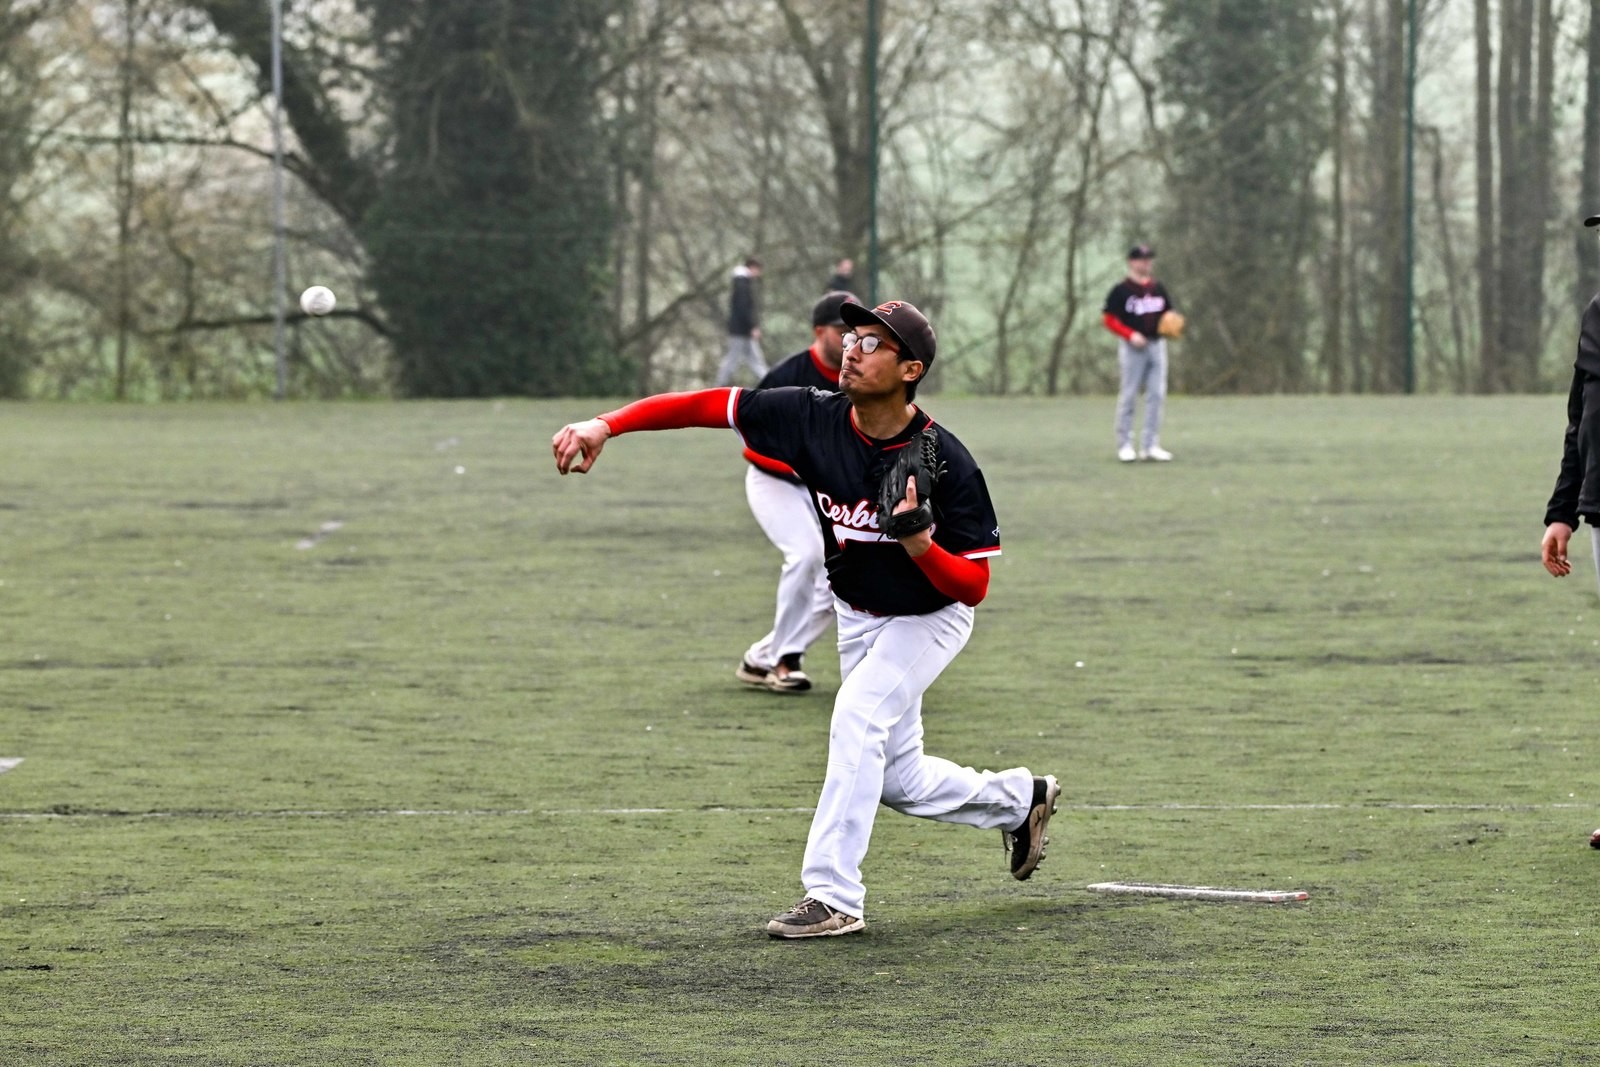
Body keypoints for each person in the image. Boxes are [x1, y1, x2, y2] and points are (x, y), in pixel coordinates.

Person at [553, 298, 1060, 939]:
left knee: (855, 716)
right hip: (858, 614)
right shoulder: (809, 415)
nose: (852, 348)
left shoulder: (944, 461)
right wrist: (607, 425)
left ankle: (832, 895)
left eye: (873, 343)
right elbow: (710, 406)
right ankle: (1021, 801)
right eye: (852, 336)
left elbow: (974, 587)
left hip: (928, 618)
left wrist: (920, 545)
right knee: (900, 780)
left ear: (910, 369)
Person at [734, 290, 857, 694]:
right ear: (819, 331)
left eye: (857, 331)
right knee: (806, 554)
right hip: (775, 482)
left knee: (841, 576)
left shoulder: (862, 376)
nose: (851, 339)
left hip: (826, 488)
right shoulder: (787, 377)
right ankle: (786, 661)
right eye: (843, 331)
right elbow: (753, 444)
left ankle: (763, 657)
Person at [1102, 244, 1177, 462]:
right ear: (1131, 262)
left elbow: (1167, 313)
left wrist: (1171, 325)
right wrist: (1129, 334)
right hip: (1132, 348)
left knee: (1157, 395)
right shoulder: (1121, 291)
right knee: (1129, 395)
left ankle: (1150, 445)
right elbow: (1108, 318)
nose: (1146, 263)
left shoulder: (1158, 288)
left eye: (1148, 259)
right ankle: (1125, 445)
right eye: (1142, 259)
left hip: (1157, 345)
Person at [714, 256, 766, 386]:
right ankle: (718, 386)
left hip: (742, 330)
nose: (758, 274)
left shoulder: (742, 283)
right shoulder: (742, 284)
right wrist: (752, 326)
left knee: (754, 359)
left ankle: (770, 382)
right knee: (734, 359)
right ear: (752, 267)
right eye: (758, 270)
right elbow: (744, 309)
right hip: (740, 330)